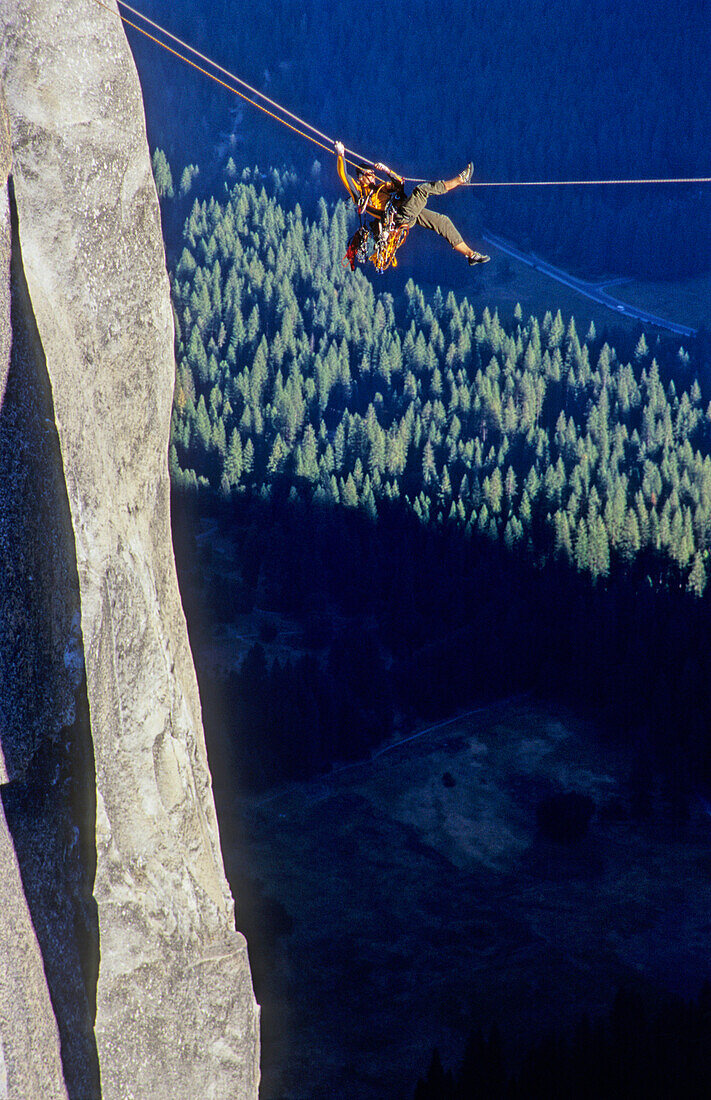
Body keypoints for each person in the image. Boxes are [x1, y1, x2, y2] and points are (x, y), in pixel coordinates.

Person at [335, 141, 489, 265]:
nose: (373, 178)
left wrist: (387, 171)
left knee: (442, 221)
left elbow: (399, 184)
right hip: (398, 217)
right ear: (361, 178)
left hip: (405, 211)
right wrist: (341, 153)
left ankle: (470, 254)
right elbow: (343, 175)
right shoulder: (360, 194)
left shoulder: (381, 188)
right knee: (421, 190)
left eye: (374, 175)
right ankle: (460, 180)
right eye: (370, 175)